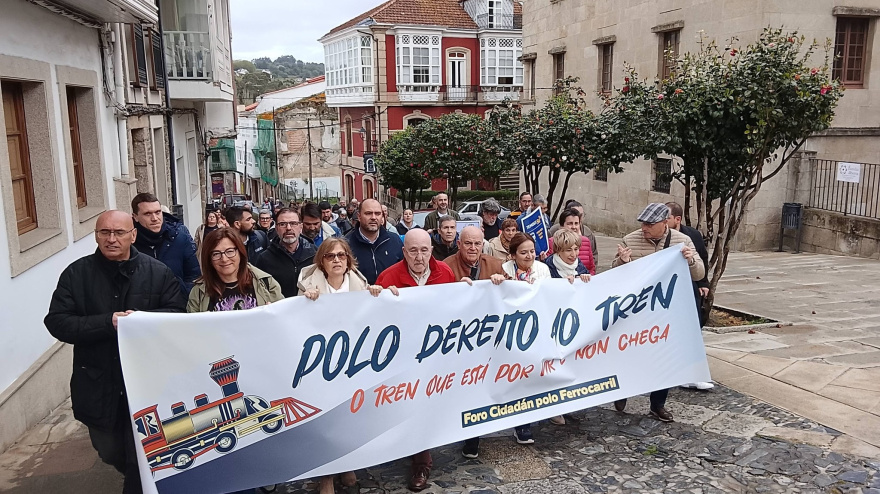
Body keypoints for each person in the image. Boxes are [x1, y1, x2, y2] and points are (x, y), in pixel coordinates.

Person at [45, 210, 185, 494]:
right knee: (109, 450)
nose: (111, 239)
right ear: (96, 235)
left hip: (147, 384)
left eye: (119, 233)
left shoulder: (157, 272)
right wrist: (107, 322)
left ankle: (138, 483)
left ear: (133, 234)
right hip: (97, 381)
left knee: (144, 453)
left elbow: (177, 316)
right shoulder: (76, 274)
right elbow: (57, 322)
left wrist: (142, 321)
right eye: (103, 233)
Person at [298, 238, 390, 494]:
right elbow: (299, 324)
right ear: (322, 261)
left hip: (353, 362)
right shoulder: (308, 286)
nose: (336, 260)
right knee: (325, 421)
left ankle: (347, 464)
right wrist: (307, 302)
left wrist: (377, 296)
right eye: (330, 256)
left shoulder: (361, 286)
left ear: (348, 259)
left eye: (341, 255)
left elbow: (373, 319)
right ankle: (326, 475)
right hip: (322, 363)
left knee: (350, 417)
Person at [376, 229, 455, 492]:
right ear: (404, 252)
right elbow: (376, 319)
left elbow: (458, 308)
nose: (419, 256)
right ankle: (416, 456)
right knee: (408, 404)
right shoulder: (388, 277)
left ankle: (425, 456)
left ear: (431, 250)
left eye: (424, 250)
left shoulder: (445, 273)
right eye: (413, 250)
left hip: (437, 352)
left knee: (429, 404)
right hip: (403, 354)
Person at [611, 203, 704, 422]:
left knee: (665, 357)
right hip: (639, 310)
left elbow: (699, 272)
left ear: (665, 223)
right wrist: (621, 262)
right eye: (642, 223)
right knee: (631, 353)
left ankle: (658, 404)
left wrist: (690, 259)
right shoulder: (630, 240)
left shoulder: (683, 241)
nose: (644, 228)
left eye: (650, 224)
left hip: (668, 311)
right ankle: (622, 390)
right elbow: (613, 277)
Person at [443, 226, 505, 459]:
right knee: (466, 388)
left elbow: (512, 293)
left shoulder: (495, 265)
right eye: (468, 243)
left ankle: (477, 432)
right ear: (459, 244)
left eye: (477, 244)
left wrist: (502, 281)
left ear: (483, 245)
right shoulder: (447, 266)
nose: (472, 248)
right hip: (460, 340)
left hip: (489, 338)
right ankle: (468, 436)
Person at [498, 232, 551, 444]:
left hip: (536, 328)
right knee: (512, 377)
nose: (529, 256)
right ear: (512, 255)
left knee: (529, 377)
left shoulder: (543, 269)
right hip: (510, 330)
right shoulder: (503, 270)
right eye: (523, 252)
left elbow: (549, 295)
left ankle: (523, 424)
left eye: (532, 251)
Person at [666, 201, 714, 390]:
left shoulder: (692, 236)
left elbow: (702, 259)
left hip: (689, 287)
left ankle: (693, 373)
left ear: (677, 219)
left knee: (692, 329)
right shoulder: (657, 238)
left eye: (667, 217)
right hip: (669, 291)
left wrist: (703, 283)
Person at [187, 227, 283, 311]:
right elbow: (193, 328)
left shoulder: (266, 283)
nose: (224, 259)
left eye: (230, 251)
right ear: (208, 258)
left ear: (240, 252)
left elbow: (283, 320)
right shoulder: (199, 292)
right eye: (216, 254)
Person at [131, 193, 200, 295]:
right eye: (147, 214)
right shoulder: (129, 242)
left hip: (177, 305)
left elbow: (194, 275)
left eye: (158, 212)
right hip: (143, 307)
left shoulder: (179, 236)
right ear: (135, 217)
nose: (155, 218)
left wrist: (184, 297)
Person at [253, 208, 317, 298]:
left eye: (293, 223)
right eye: (282, 224)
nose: (288, 228)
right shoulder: (264, 259)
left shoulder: (314, 254)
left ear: (301, 227)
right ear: (276, 228)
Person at [345, 198, 404, 284]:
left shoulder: (394, 240)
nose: (373, 217)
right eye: (368, 213)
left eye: (377, 214)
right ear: (359, 216)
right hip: (359, 296)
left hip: (391, 295)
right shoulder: (346, 244)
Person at [548, 209, 596, 275]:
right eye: (570, 223)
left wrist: (586, 279)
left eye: (576, 223)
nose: (574, 227)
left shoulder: (586, 241)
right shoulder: (552, 242)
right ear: (561, 226)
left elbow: (592, 268)